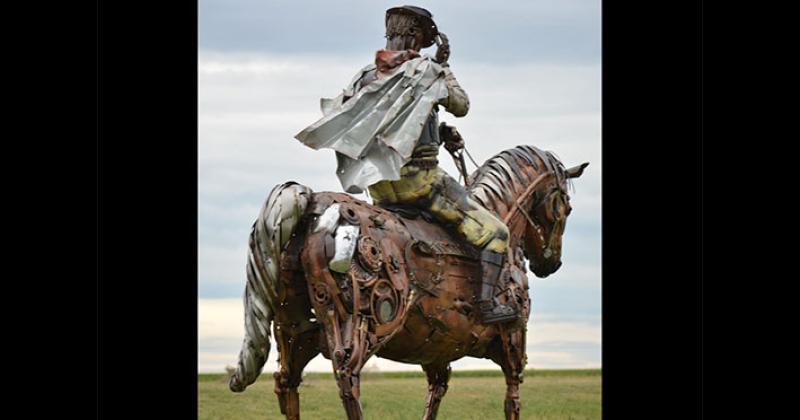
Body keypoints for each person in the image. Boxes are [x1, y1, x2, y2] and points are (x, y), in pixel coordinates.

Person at [295, 6, 516, 324]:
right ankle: (486, 306)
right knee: (496, 231)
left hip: (380, 187)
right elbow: (461, 104)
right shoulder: (425, 70)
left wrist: (438, 133)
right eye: (423, 41)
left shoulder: (367, 76)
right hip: (420, 183)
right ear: (416, 37)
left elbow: (389, 126)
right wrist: (443, 67)